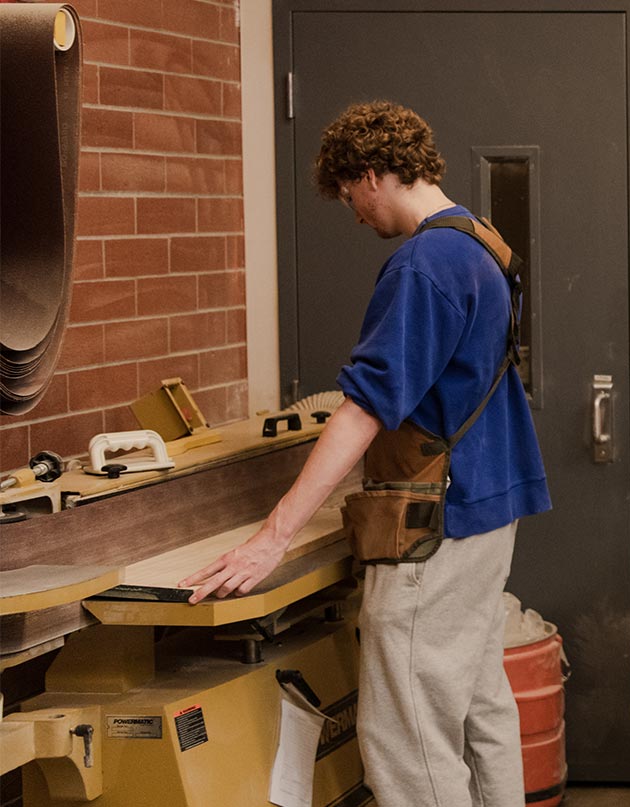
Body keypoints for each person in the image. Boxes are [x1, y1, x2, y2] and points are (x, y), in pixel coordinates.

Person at [182, 101, 550, 807]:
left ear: (374, 175)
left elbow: (362, 409)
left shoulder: (423, 264)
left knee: (407, 732)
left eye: (352, 198)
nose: (356, 216)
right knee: (478, 704)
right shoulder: (484, 245)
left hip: (434, 530)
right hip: (490, 509)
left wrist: (273, 535)